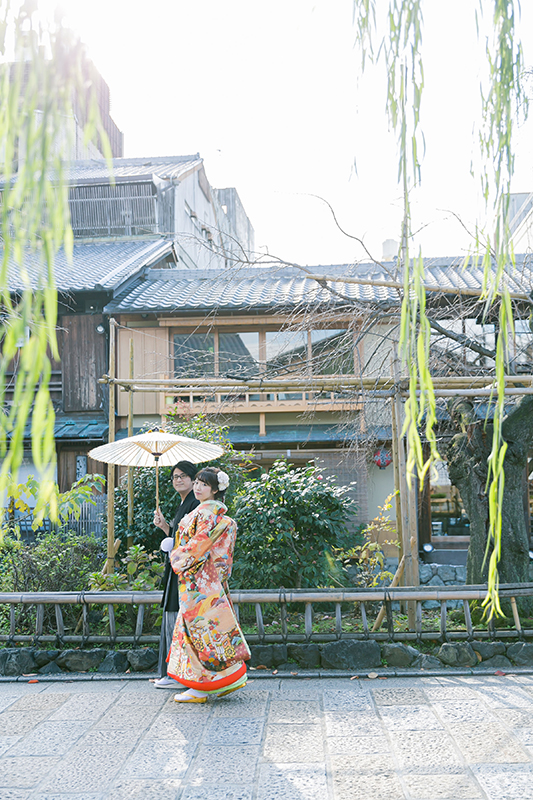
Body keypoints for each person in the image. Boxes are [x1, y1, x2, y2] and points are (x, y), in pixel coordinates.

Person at [167, 466, 250, 703]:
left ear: (215, 489)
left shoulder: (205, 514)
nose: (198, 487)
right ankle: (226, 679)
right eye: (197, 483)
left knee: (198, 633)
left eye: (204, 484)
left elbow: (199, 545)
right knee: (215, 631)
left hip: (198, 580)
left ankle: (201, 687)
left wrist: (177, 555)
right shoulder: (219, 515)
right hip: (211, 580)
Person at [152, 460, 199, 688]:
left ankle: (179, 674)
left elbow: (193, 540)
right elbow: (179, 537)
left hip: (186, 571)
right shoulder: (183, 504)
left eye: (182, 476)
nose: (178, 480)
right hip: (177, 568)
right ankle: (174, 672)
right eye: (174, 477)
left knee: (179, 619)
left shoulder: (195, 503)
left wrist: (175, 543)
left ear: (193, 479)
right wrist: (165, 528)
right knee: (174, 617)